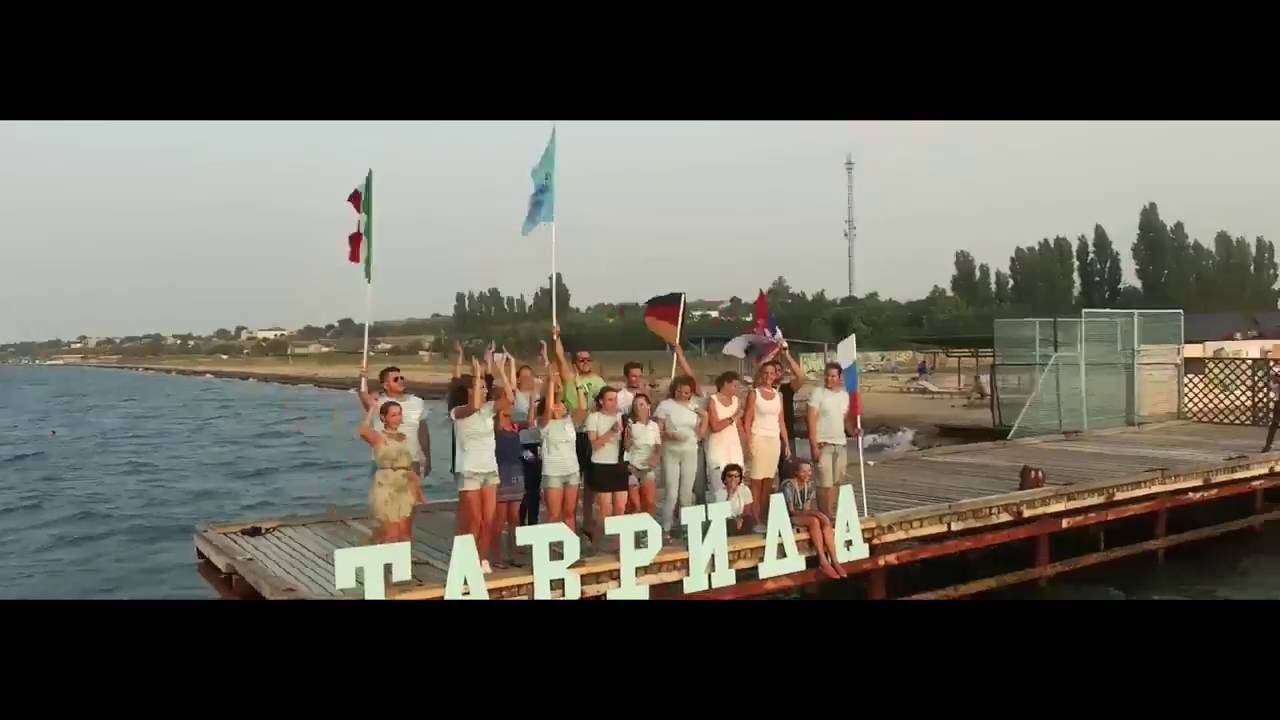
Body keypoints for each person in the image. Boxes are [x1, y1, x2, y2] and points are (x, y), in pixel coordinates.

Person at [450, 356, 513, 575]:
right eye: (481, 387)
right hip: (469, 471)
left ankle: (482, 559)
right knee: (474, 521)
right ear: (469, 390)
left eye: (486, 388)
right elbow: (474, 405)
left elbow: (509, 398)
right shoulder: (459, 412)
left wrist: (502, 371)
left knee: (489, 520)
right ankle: (467, 560)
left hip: (490, 470)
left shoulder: (488, 410)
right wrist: (477, 375)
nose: (485, 391)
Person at [550, 326, 607, 540]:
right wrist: (556, 337)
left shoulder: (599, 381)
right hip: (573, 434)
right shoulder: (570, 379)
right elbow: (559, 356)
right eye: (581, 360)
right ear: (575, 362)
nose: (585, 363)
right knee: (572, 481)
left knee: (591, 482)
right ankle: (569, 522)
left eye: (588, 360)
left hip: (591, 435)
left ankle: (588, 521)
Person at [357, 401, 424, 544]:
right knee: (390, 534)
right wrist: (372, 409)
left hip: (404, 485)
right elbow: (363, 431)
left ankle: (403, 558)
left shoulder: (404, 437)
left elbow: (408, 465)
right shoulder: (379, 437)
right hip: (386, 485)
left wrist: (416, 488)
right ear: (384, 418)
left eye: (399, 414)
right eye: (393, 415)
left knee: (404, 533)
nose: (397, 418)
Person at [655, 373, 706, 541]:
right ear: (674, 390)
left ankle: (685, 527)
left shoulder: (694, 406)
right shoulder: (665, 405)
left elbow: (700, 434)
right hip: (671, 451)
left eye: (686, 392)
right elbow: (657, 431)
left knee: (686, 493)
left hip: (690, 450)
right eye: (679, 391)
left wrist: (705, 417)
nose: (682, 395)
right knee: (671, 492)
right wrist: (670, 434)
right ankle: (666, 528)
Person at [358, 366, 432, 481]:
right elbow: (363, 394)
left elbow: (423, 433)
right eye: (395, 379)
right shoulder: (377, 402)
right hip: (384, 463)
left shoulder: (418, 402)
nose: (400, 381)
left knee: (411, 492)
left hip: (411, 461)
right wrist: (363, 378)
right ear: (386, 385)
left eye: (401, 378)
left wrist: (428, 458)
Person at [807, 362, 861, 516]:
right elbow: (811, 420)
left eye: (833, 376)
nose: (829, 379)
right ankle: (824, 515)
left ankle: (830, 513)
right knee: (824, 483)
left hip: (840, 444)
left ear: (839, 377)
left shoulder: (844, 396)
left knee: (836, 482)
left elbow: (844, 421)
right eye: (827, 375)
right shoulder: (818, 393)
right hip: (823, 443)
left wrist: (854, 431)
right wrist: (814, 445)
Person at [780, 460, 847, 580]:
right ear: (796, 472)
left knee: (824, 522)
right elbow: (791, 511)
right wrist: (816, 514)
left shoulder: (809, 485)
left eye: (809, 471)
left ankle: (835, 560)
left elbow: (806, 508)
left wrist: (818, 515)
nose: (807, 474)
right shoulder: (788, 485)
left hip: (801, 515)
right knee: (814, 521)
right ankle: (823, 561)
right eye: (803, 471)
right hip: (786, 517)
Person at [539, 369, 588, 533]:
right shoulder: (545, 424)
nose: (559, 406)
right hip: (553, 473)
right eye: (556, 405)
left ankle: (570, 545)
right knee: (554, 515)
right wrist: (551, 383)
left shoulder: (569, 422)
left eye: (561, 404)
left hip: (572, 472)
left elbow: (583, 409)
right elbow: (547, 408)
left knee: (569, 513)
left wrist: (578, 385)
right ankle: (553, 546)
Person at [744, 361, 789, 530]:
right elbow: (747, 420)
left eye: (771, 373)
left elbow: (781, 421)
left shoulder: (778, 395)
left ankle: (764, 516)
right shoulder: (754, 394)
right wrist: (749, 441)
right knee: (756, 479)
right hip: (758, 437)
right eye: (765, 373)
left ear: (776, 375)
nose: (768, 376)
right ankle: (755, 518)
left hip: (773, 440)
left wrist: (786, 443)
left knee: (769, 480)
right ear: (761, 374)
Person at [585, 386, 630, 552]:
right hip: (601, 464)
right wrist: (611, 432)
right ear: (601, 401)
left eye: (615, 399)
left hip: (619, 464)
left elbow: (627, 445)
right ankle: (596, 543)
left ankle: (617, 545)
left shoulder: (622, 417)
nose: (614, 403)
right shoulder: (594, 418)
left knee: (620, 508)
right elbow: (593, 445)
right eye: (610, 399)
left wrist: (629, 436)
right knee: (605, 509)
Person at [491, 355, 526, 568]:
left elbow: (530, 420)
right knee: (500, 517)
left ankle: (513, 553)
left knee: (515, 517)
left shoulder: (515, 424)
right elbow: (509, 394)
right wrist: (501, 370)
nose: (512, 403)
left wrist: (509, 366)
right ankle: (496, 556)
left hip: (516, 471)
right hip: (501, 471)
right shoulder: (495, 423)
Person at [511, 342, 547, 526]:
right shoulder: (515, 396)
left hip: (538, 443)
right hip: (521, 445)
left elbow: (550, 378)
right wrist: (510, 363)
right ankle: (520, 522)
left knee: (535, 486)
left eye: (530, 376)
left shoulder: (539, 394)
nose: (527, 379)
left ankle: (533, 522)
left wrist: (545, 356)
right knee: (524, 486)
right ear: (517, 380)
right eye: (523, 377)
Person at [704, 370, 745, 502]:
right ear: (725, 384)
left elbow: (739, 426)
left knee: (738, 485)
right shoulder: (713, 400)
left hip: (734, 447)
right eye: (734, 386)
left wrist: (746, 444)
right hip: (718, 447)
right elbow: (715, 426)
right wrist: (733, 417)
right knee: (719, 485)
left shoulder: (737, 401)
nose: (736, 389)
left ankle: (737, 511)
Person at [625, 393, 661, 521]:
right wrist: (629, 436)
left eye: (641, 404)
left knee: (650, 502)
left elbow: (658, 445)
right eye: (636, 405)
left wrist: (656, 456)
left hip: (648, 467)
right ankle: (634, 529)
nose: (638, 408)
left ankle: (649, 527)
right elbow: (626, 447)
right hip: (633, 467)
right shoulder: (631, 425)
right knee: (635, 505)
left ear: (648, 406)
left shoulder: (654, 426)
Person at [714, 464, 756, 535]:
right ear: (725, 478)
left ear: (740, 478)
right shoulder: (719, 493)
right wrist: (730, 495)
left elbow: (747, 511)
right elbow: (722, 514)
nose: (733, 478)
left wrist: (739, 519)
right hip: (727, 521)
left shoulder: (745, 490)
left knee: (748, 520)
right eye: (730, 476)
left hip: (741, 518)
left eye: (736, 476)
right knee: (731, 523)